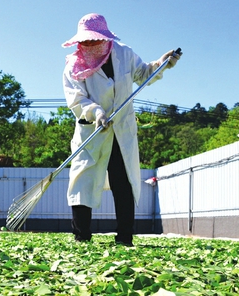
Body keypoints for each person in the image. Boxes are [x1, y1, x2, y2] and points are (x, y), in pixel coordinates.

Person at [61, 13, 180, 246]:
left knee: (123, 182)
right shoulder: (73, 67)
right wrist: (96, 112)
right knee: (83, 180)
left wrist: (161, 64)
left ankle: (125, 237)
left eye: (94, 40)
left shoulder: (124, 53)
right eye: (85, 41)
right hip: (92, 132)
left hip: (122, 131)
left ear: (105, 38)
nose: (90, 45)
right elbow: (76, 100)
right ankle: (81, 236)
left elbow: (143, 74)